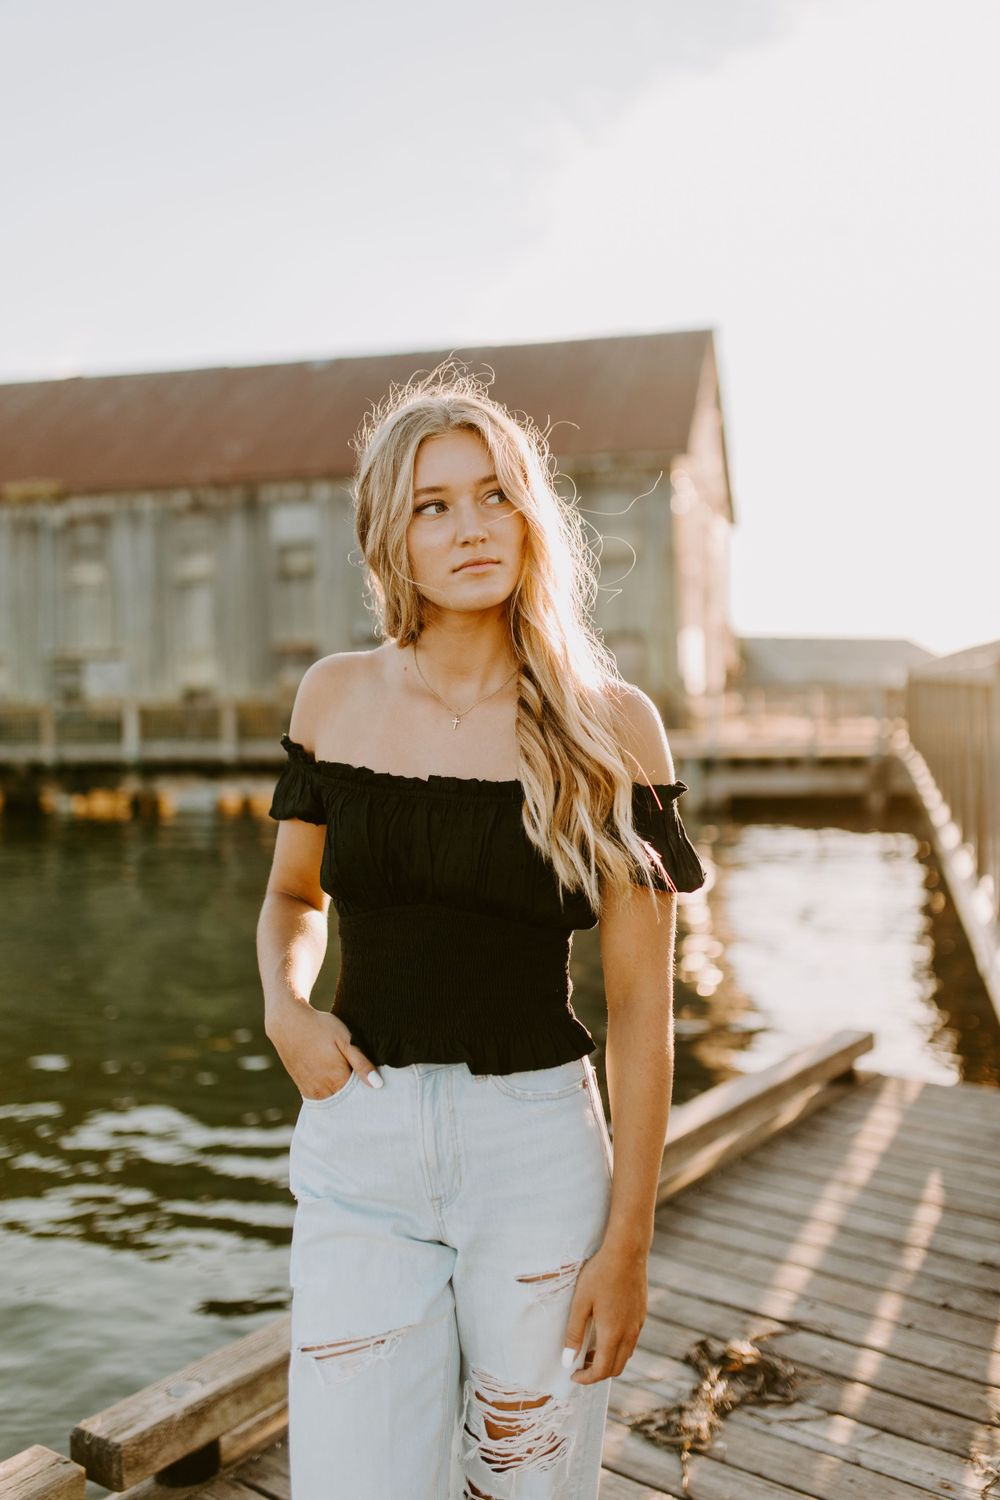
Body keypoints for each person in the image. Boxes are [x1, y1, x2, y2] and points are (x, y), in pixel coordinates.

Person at [256, 362, 707, 1499]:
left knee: (528, 1481)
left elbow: (642, 1010)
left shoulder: (612, 727)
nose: (472, 528)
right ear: (389, 538)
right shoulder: (335, 698)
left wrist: (628, 1244)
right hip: (359, 1145)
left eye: (495, 493)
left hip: (537, 1152)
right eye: (433, 504)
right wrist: (285, 1007)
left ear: (532, 514)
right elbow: (293, 898)